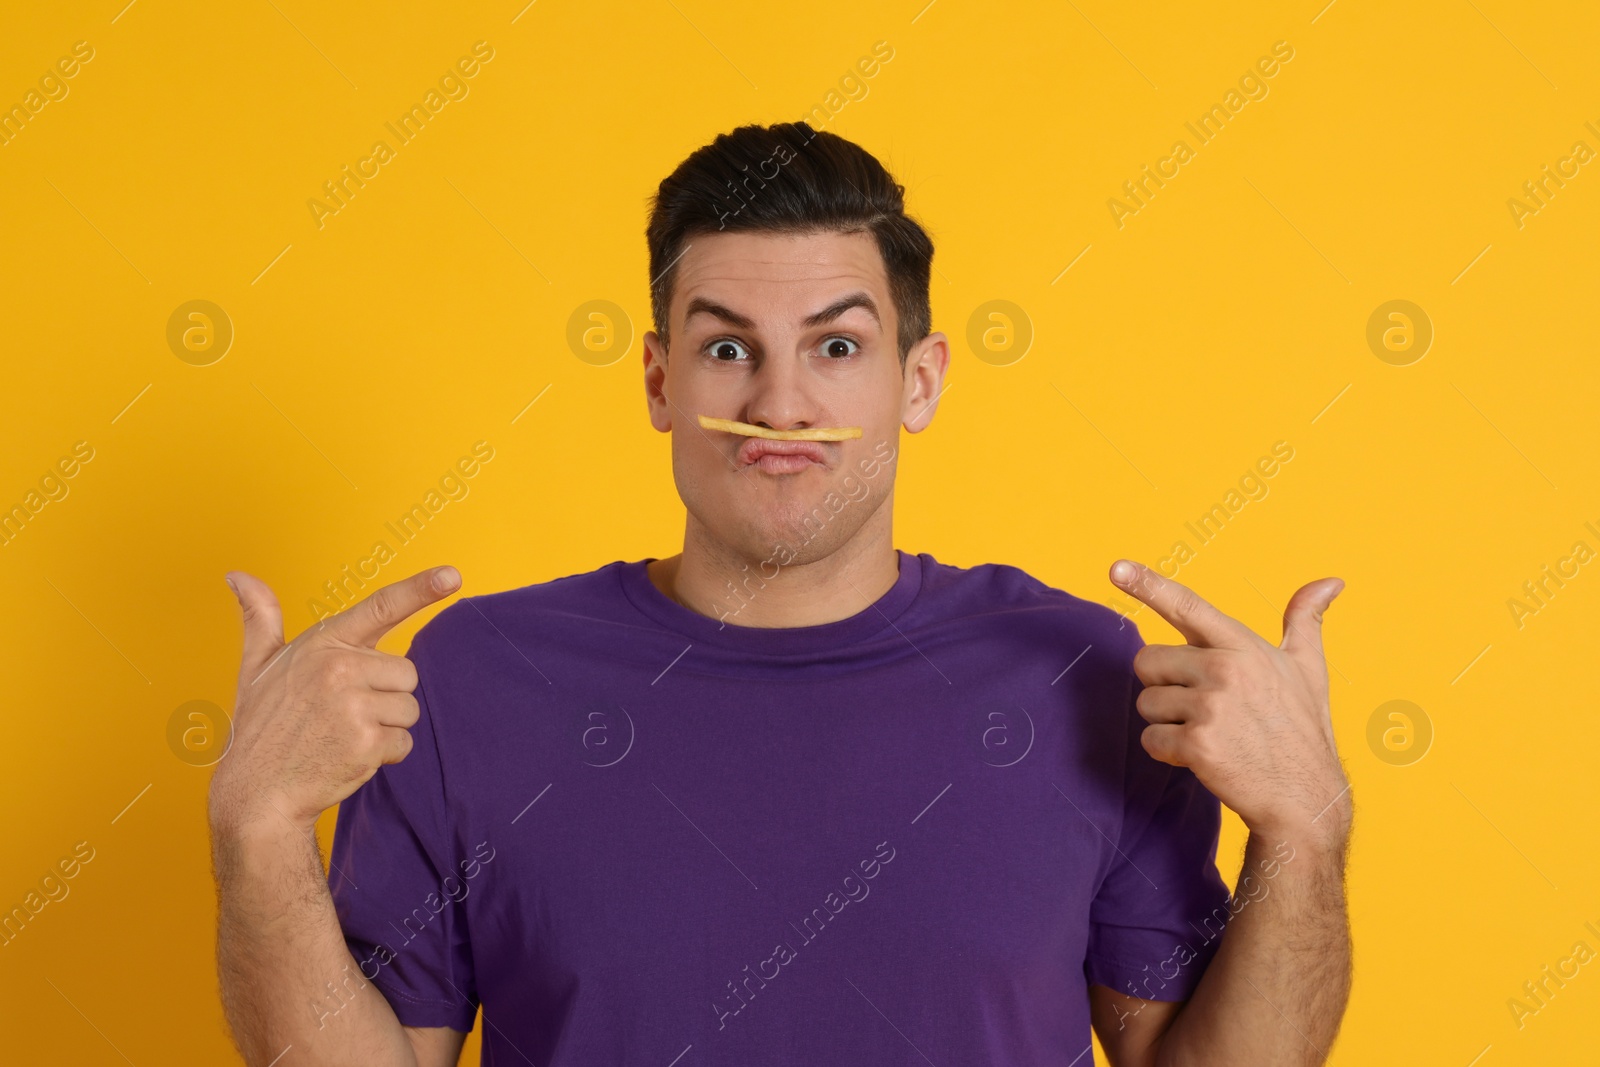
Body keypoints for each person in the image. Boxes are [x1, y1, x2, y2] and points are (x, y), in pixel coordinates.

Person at [209, 121, 1353, 1066]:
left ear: (920, 380)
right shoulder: (474, 679)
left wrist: (1305, 828)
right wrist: (255, 834)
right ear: (660, 380)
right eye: (725, 350)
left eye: (837, 349)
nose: (781, 404)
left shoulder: (1076, 674)